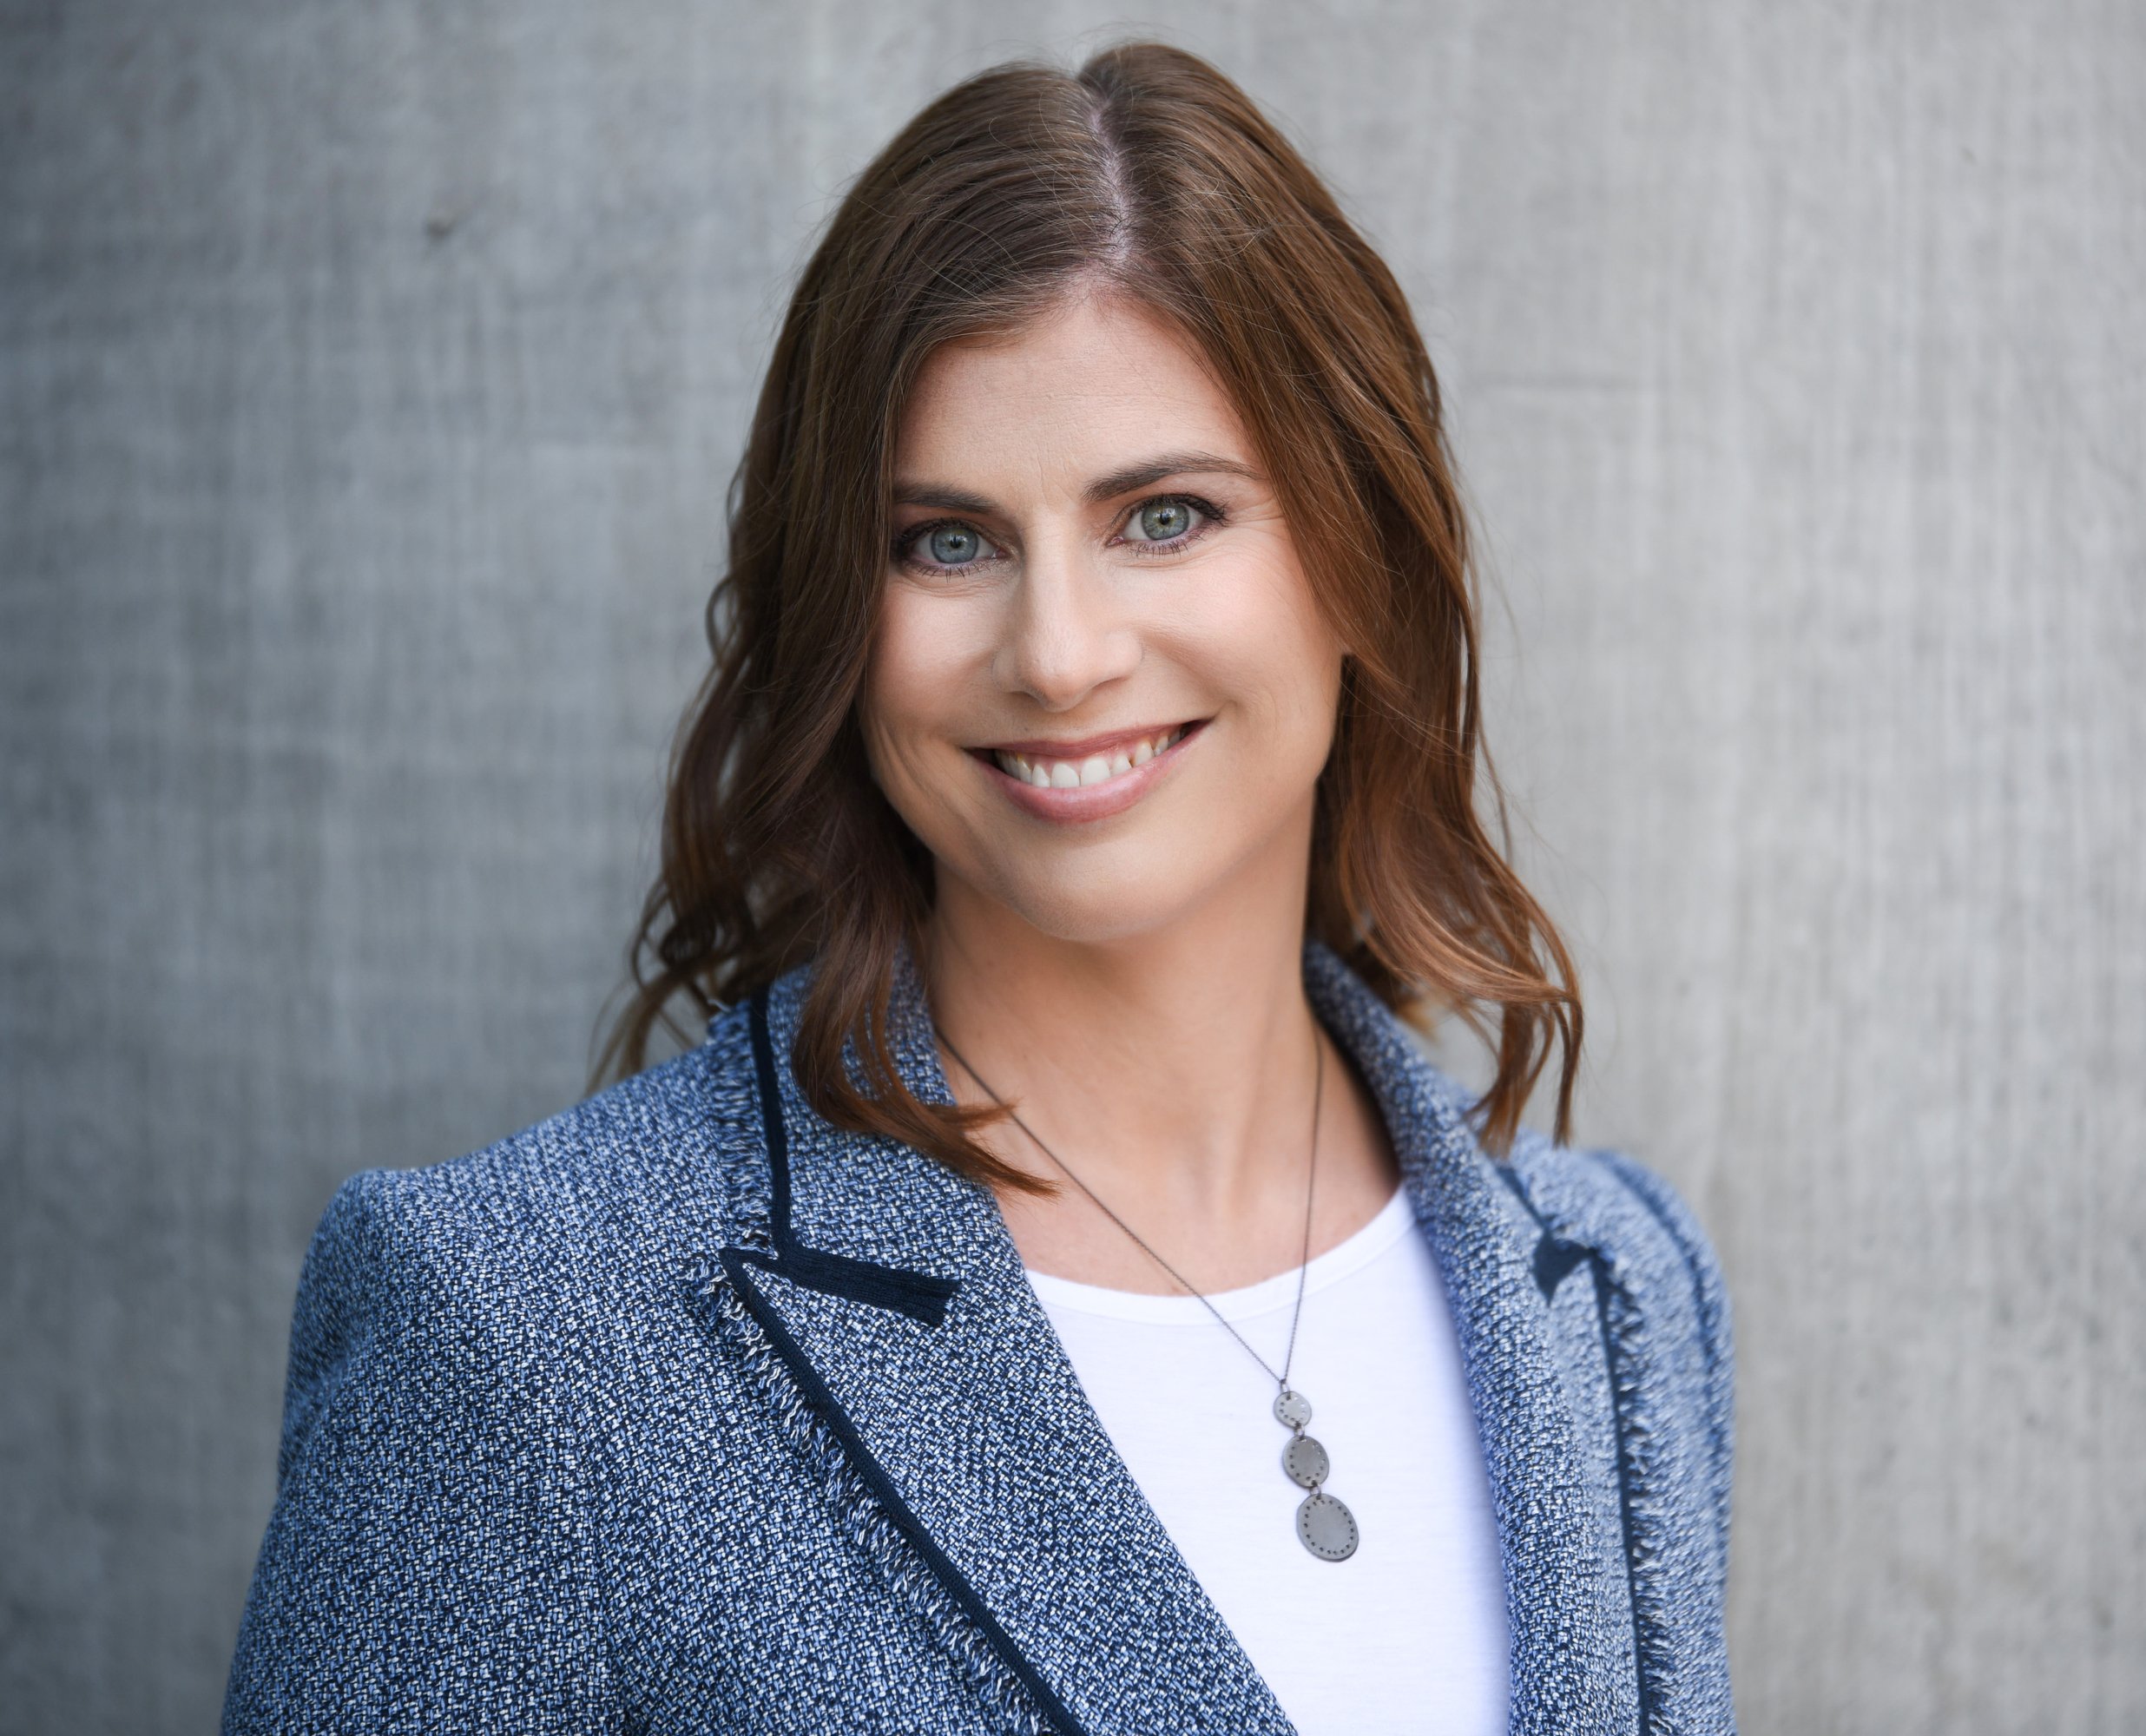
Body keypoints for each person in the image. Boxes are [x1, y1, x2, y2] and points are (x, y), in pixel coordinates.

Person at [224, 41, 1733, 1736]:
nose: (1060, 654)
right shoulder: (525, 1327)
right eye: (944, 541)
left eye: (1160, 516)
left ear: (1354, 554)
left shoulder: (1616, 1286)